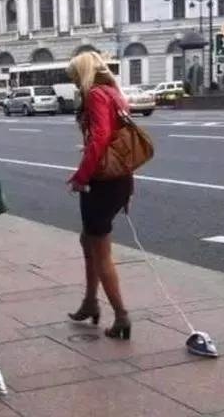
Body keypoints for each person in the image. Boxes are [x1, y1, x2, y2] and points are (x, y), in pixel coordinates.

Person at [66, 51, 133, 340]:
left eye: (73, 76)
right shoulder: (114, 92)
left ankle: (121, 315)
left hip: (102, 182)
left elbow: (102, 137)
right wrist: (129, 188)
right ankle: (90, 301)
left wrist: (81, 177)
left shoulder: (94, 94)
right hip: (119, 178)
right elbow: (122, 141)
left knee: (100, 249)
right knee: (88, 239)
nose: (73, 82)